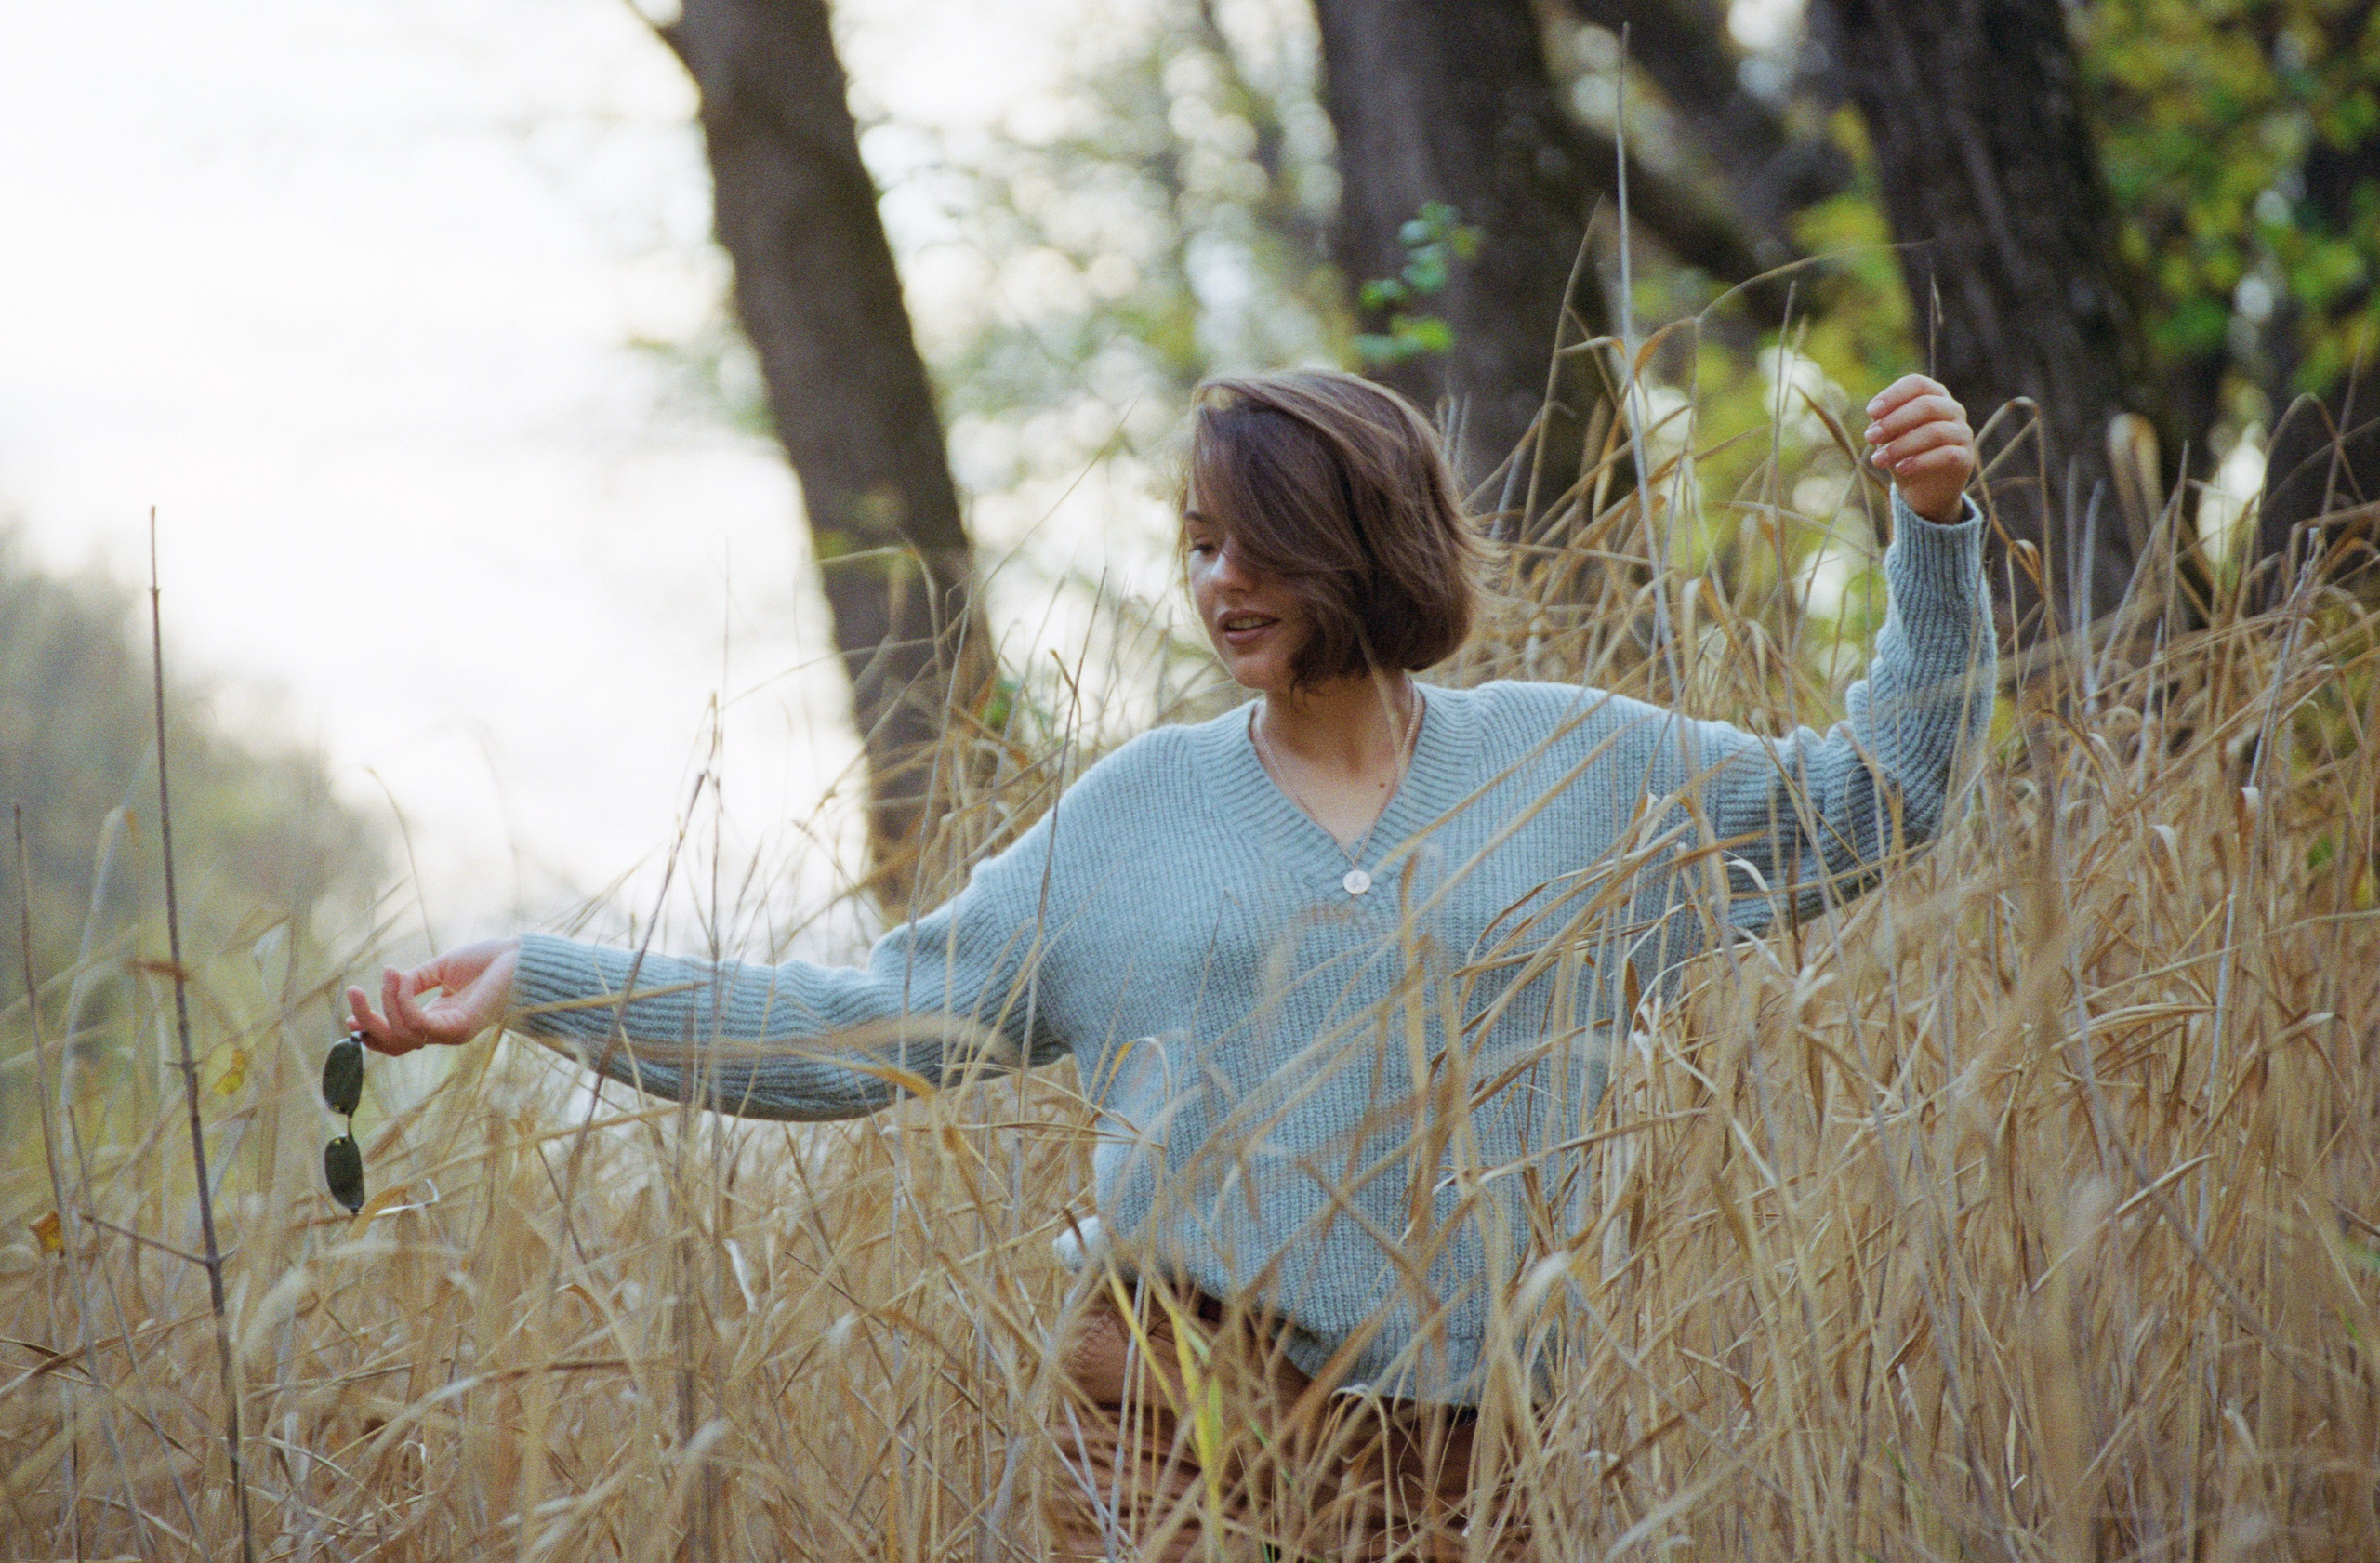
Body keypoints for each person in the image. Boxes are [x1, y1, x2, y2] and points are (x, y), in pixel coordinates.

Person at [347, 368, 1990, 1558]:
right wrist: (549, 983)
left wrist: (1932, 532)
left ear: (1369, 535)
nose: (1218, 581)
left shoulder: (1584, 770)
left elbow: (1878, 799)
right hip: (1170, 1407)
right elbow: (865, 1027)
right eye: (1199, 544)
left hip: (1480, 1445)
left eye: (1255, 541)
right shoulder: (1134, 817)